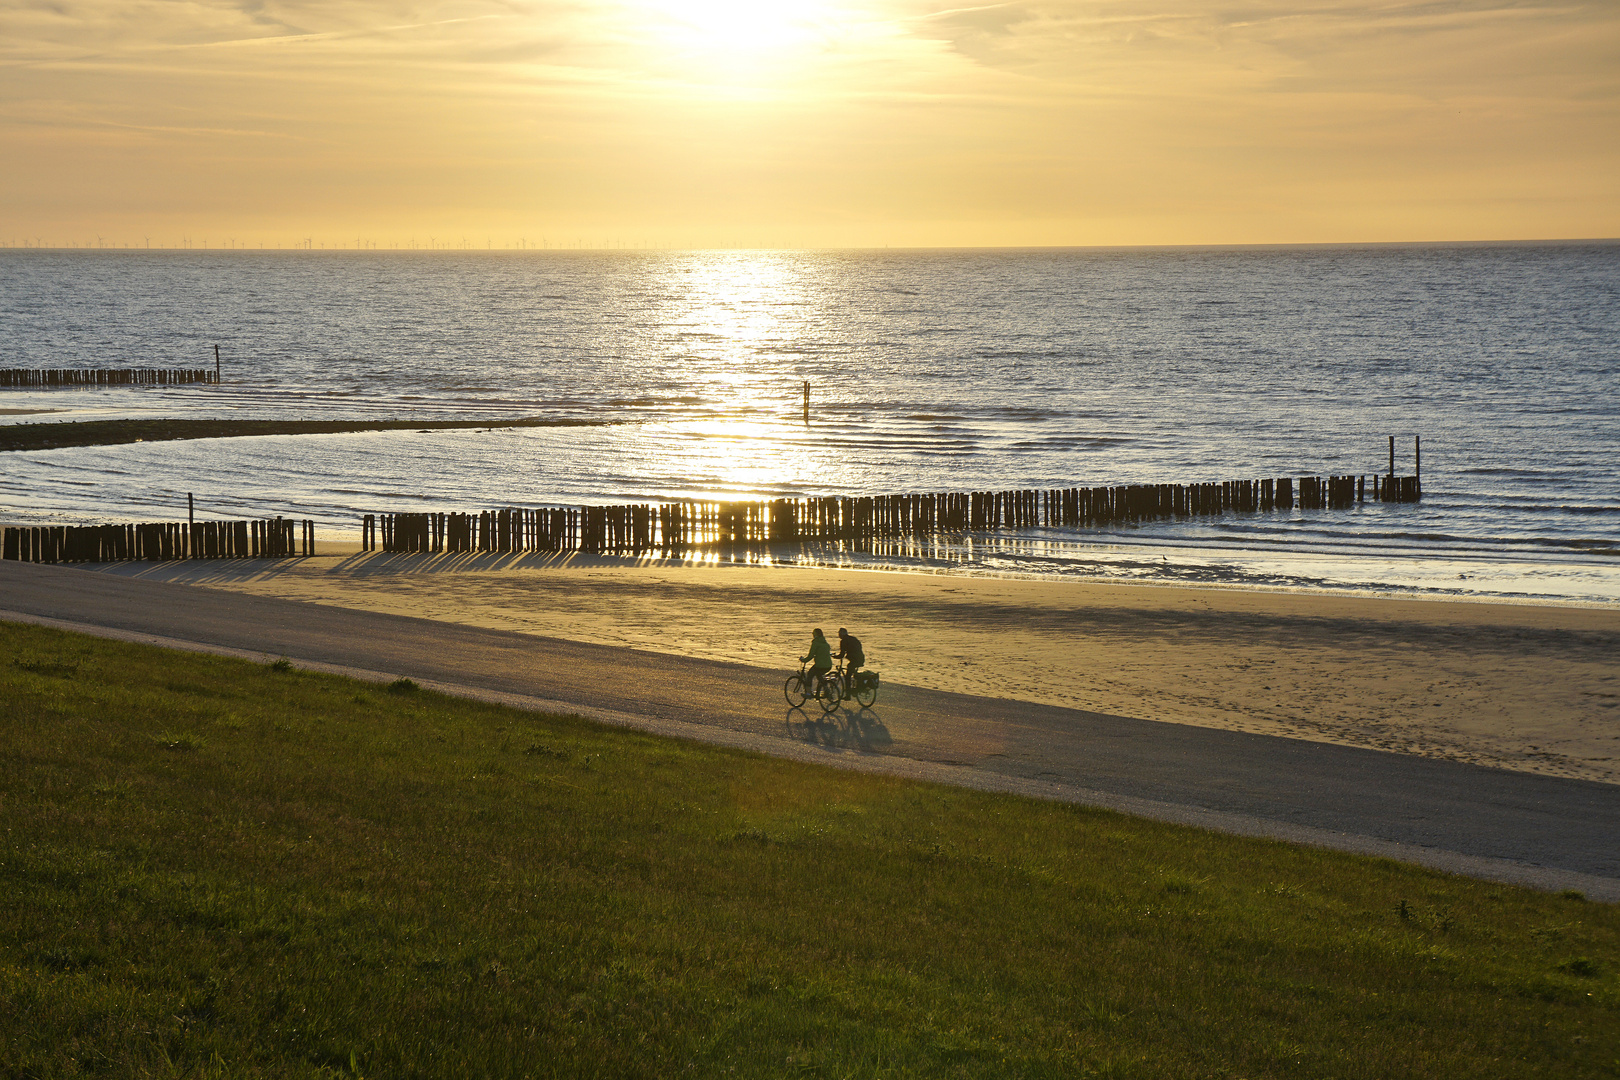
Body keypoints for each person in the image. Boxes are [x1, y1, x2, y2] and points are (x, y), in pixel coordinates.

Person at [800, 628, 832, 697]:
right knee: (819, 675)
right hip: (828, 665)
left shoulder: (815, 643)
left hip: (820, 665)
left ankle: (808, 693)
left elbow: (811, 655)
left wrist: (803, 660)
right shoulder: (825, 643)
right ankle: (826, 690)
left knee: (810, 674)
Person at [834, 627, 864, 694]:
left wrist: (835, 657)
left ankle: (848, 694)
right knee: (852, 670)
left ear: (841, 634)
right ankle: (855, 687)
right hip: (861, 658)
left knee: (847, 676)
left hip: (854, 660)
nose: (838, 635)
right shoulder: (853, 639)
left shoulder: (843, 641)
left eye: (839, 633)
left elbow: (842, 654)